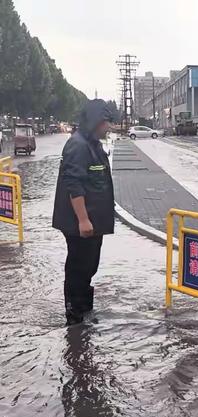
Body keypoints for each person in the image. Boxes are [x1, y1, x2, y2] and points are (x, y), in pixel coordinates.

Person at [52, 99, 114, 325]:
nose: (108, 127)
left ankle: (85, 310)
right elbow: (74, 184)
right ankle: (74, 316)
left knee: (89, 265)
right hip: (80, 224)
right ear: (94, 121)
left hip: (92, 223)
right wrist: (84, 219)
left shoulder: (93, 144)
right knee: (78, 267)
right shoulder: (77, 145)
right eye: (105, 122)